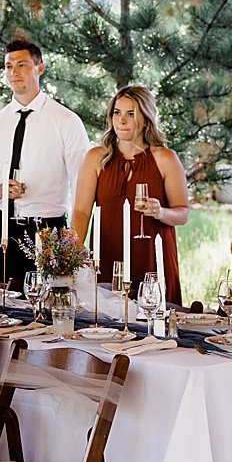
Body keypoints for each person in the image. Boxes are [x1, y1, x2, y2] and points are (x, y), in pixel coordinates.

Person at [0, 39, 90, 286]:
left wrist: (74, 242)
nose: (14, 72)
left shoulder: (66, 121)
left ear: (40, 68)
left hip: (49, 230)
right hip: (3, 228)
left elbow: (82, 186)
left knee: (50, 304)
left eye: (22, 65)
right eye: (8, 66)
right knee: (8, 305)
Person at [70, 85, 190, 303]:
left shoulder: (165, 159)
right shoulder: (95, 158)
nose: (121, 120)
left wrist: (160, 212)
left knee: (154, 324)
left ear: (146, 118)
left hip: (153, 258)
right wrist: (74, 253)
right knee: (108, 325)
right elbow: (81, 211)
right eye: (117, 113)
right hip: (107, 255)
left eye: (130, 114)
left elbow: (182, 213)